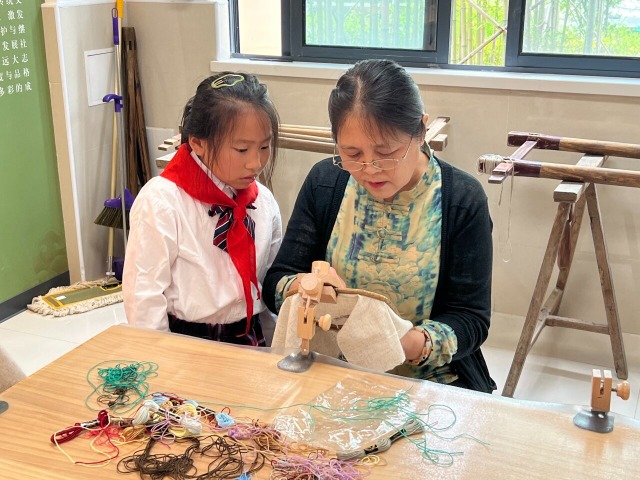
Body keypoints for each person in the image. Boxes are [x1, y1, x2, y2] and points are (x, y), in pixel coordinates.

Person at [263, 59, 496, 392]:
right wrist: (306, 286)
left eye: (386, 153)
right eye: (352, 153)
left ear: (421, 131)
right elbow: (276, 282)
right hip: (334, 374)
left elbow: (470, 318)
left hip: (428, 383)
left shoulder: (460, 199)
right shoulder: (326, 183)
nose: (370, 169)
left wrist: (407, 343)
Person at [123, 72, 282, 347]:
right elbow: (143, 299)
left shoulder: (263, 202)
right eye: (241, 149)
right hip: (185, 343)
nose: (256, 163)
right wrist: (160, 358)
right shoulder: (162, 202)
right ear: (197, 143)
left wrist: (274, 348)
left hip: (249, 337)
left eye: (265, 147)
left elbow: (266, 287)